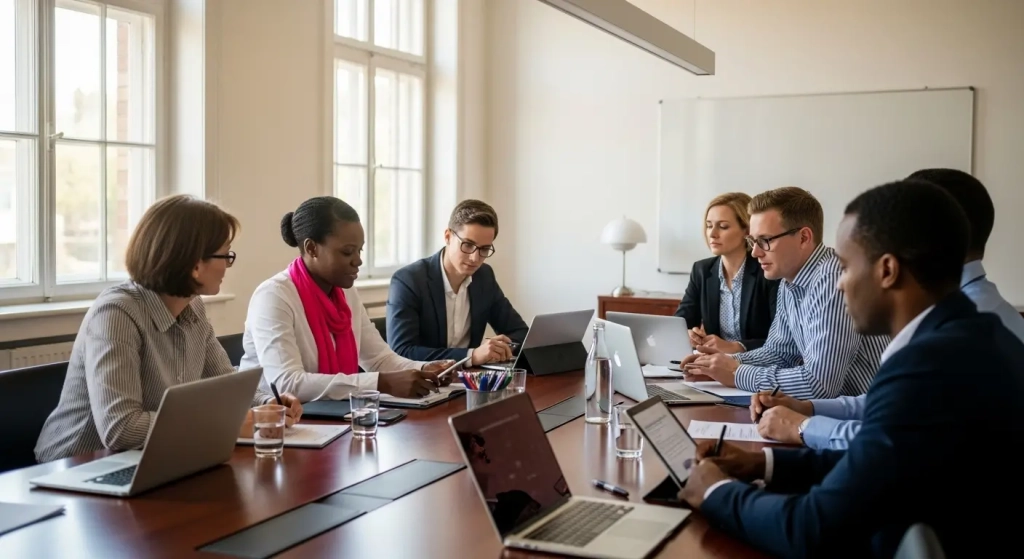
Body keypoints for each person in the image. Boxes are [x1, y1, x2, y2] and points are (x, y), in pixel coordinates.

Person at [678, 179, 1024, 558]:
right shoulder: (969, 336)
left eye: (844, 266)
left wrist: (715, 491)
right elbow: (877, 458)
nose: (838, 284)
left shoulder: (928, 366)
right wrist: (764, 462)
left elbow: (811, 528)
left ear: (887, 270)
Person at [754, 168, 1024, 448]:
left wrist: (803, 427)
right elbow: (890, 406)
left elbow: (889, 439)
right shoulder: (967, 311)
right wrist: (809, 409)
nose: (841, 283)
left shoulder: (955, 333)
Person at [35, 195, 302, 463]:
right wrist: (225, 425)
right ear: (196, 265)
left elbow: (224, 381)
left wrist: (267, 403)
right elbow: (121, 428)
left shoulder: (192, 306)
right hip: (78, 467)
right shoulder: (116, 313)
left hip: (148, 458)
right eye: (226, 255)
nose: (227, 266)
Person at [681, 187, 888, 400]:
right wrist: (718, 364)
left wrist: (735, 373)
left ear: (804, 238)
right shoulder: (789, 280)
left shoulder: (833, 280)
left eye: (765, 240)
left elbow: (819, 385)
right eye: (753, 241)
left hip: (873, 418)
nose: (755, 252)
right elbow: (780, 353)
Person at [240, 196, 454, 403]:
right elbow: (288, 384)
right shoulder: (274, 296)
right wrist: (381, 383)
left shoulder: (345, 293)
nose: (358, 261)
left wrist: (424, 369)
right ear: (311, 248)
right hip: (274, 424)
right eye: (347, 252)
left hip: (331, 417)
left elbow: (379, 359)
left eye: (359, 250)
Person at [386, 199, 528, 364]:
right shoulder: (409, 280)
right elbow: (402, 351)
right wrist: (471, 356)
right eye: (468, 245)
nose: (475, 258)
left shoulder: (484, 276)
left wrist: (499, 349)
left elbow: (520, 332)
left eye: (484, 249)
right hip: (422, 382)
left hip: (469, 382)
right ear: (448, 236)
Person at [674, 192, 779, 352]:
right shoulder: (701, 270)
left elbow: (781, 339)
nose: (712, 234)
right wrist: (687, 334)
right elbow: (680, 323)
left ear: (746, 230)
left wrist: (735, 347)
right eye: (709, 225)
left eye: (723, 226)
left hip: (755, 366)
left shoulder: (767, 270)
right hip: (713, 365)